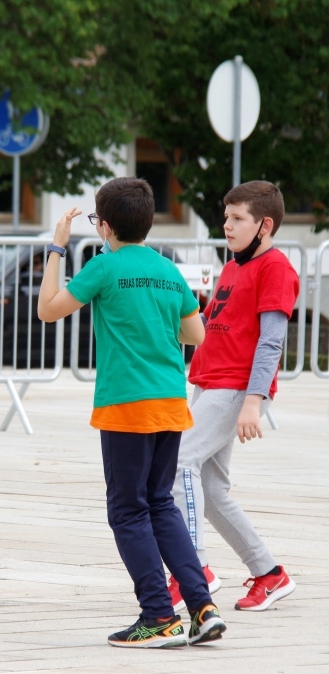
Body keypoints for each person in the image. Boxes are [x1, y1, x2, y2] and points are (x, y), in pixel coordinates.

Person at [38, 177, 225, 648]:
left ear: (104, 226)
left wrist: (57, 249)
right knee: (160, 502)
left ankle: (159, 615)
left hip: (126, 404)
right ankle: (202, 607)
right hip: (170, 402)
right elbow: (196, 335)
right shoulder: (167, 270)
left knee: (127, 509)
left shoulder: (105, 268)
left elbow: (48, 309)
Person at [169, 180, 299, 613]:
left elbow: (271, 342)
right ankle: (269, 573)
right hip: (209, 383)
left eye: (236, 218)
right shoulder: (235, 266)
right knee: (210, 488)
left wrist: (253, 401)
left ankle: (194, 570)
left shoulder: (276, 268)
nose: (226, 225)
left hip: (233, 388)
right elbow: (209, 326)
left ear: (264, 225)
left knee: (179, 460)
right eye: (226, 217)